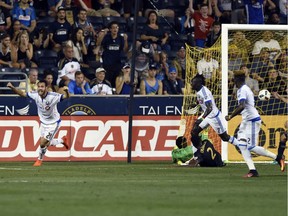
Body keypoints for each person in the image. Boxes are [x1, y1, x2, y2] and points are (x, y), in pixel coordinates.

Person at [190, 74, 259, 177]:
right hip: (208, 116)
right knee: (194, 132)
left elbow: (209, 108)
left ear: (198, 83)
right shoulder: (198, 91)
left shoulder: (205, 92)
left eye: (193, 82)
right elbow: (202, 102)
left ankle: (242, 146)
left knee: (225, 137)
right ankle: (199, 154)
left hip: (214, 117)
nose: (191, 84)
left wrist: (201, 119)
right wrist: (196, 104)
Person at [225, 70, 285, 177]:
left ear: (237, 79)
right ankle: (252, 170)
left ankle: (278, 157)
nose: (232, 79)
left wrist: (230, 116)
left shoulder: (243, 89)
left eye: (233, 78)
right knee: (243, 145)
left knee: (251, 147)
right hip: (246, 121)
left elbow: (242, 106)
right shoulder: (242, 89)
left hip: (252, 120)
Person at [6, 80, 70, 167]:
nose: (40, 88)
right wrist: (12, 87)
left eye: (42, 87)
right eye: (39, 86)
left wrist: (66, 91)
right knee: (46, 143)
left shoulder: (53, 96)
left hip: (53, 123)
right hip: (43, 122)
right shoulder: (35, 94)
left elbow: (66, 97)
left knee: (42, 143)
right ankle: (62, 140)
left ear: (46, 88)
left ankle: (39, 160)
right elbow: (23, 94)